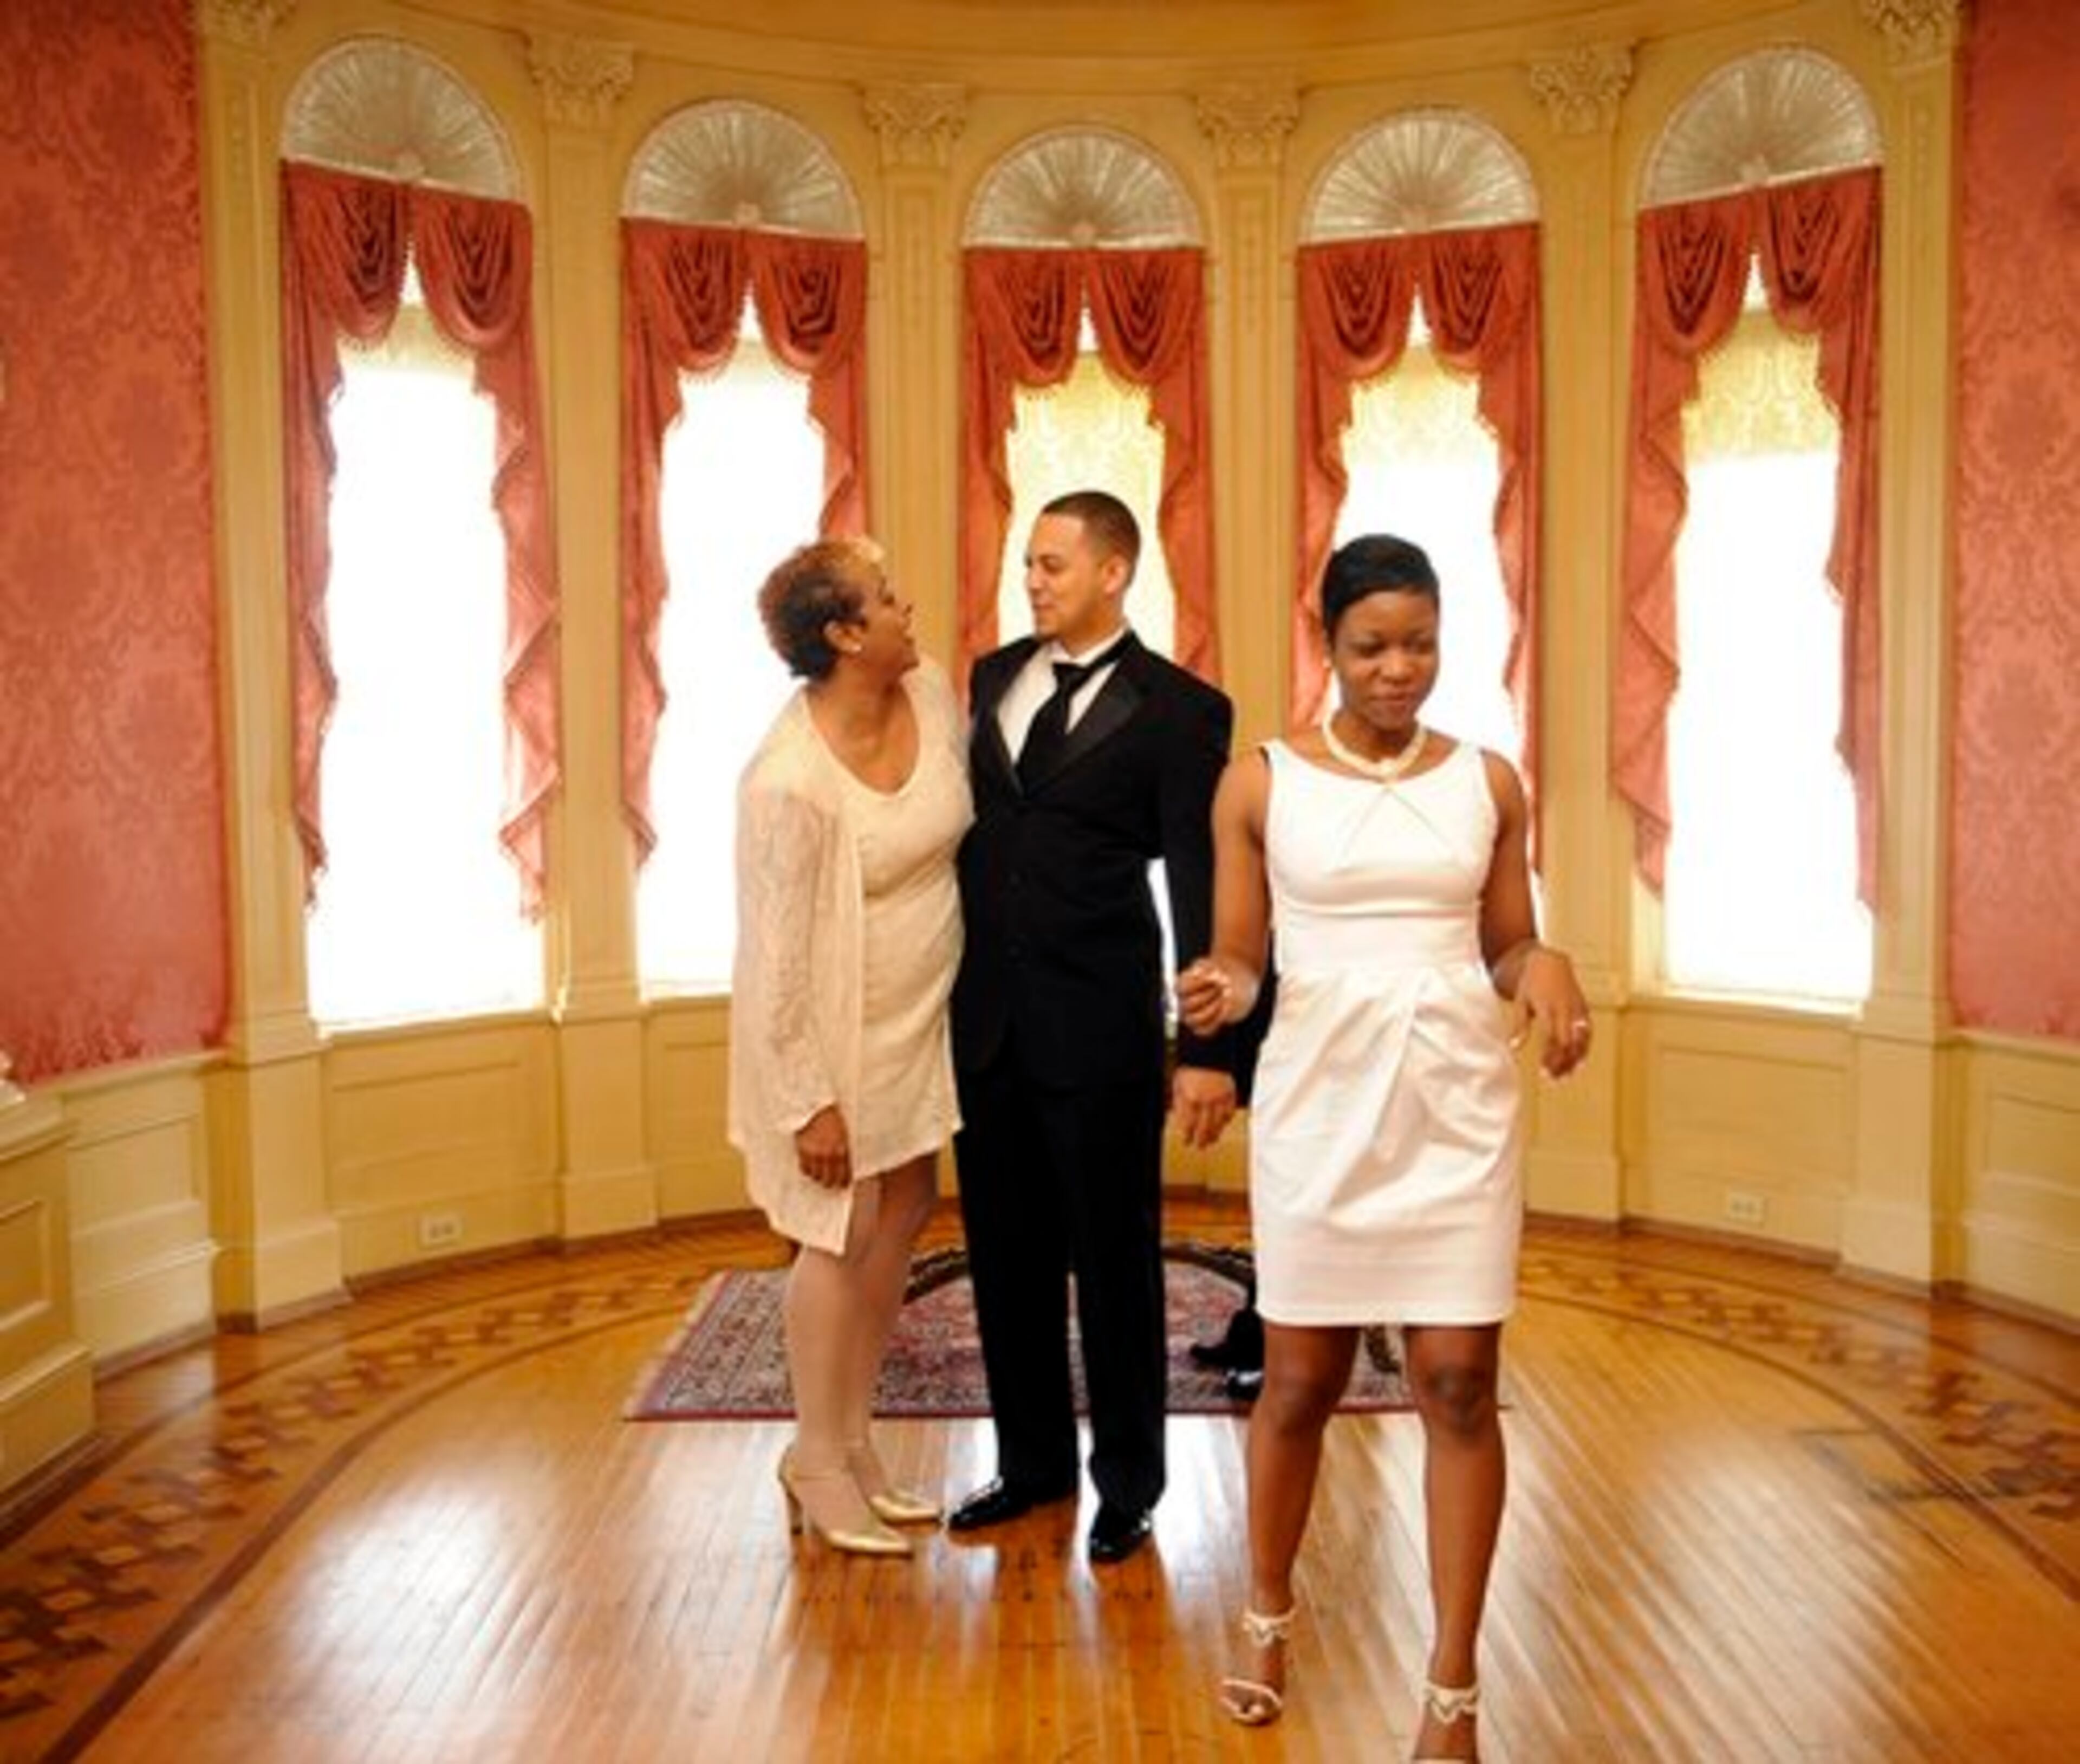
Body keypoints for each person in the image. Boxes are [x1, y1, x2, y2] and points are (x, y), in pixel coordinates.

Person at [1176, 534, 1590, 1757]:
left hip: (1455, 1104)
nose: (1398, 669)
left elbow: (1507, 945)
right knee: (1300, 1381)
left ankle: (1453, 1681)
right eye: (1371, 647)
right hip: (1320, 1102)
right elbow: (1242, 955)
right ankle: (1267, 1612)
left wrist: (1548, 966)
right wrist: (1219, 992)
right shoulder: (1260, 784)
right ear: (1329, 644)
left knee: (1457, 1379)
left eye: (1420, 644)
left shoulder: (1490, 783)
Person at [947, 489, 1237, 1565]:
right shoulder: (991, 678)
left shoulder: (1183, 710)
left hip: (1104, 1033)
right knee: (1005, 1262)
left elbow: (1199, 886)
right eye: (1028, 563)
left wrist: (1205, 1049)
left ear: (1115, 572)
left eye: (1053, 564)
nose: (1032, 581)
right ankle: (1030, 1466)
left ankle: (1129, 1485)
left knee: (1116, 1271)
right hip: (987, 1027)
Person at [728, 535, 973, 1557]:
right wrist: (808, 1103)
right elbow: (775, 960)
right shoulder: (786, 782)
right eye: (886, 598)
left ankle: (855, 1437)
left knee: (904, 1213)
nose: (907, 608)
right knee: (838, 1233)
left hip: (922, 1021)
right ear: (842, 634)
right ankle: (814, 1458)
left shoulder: (934, 695)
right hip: (833, 1040)